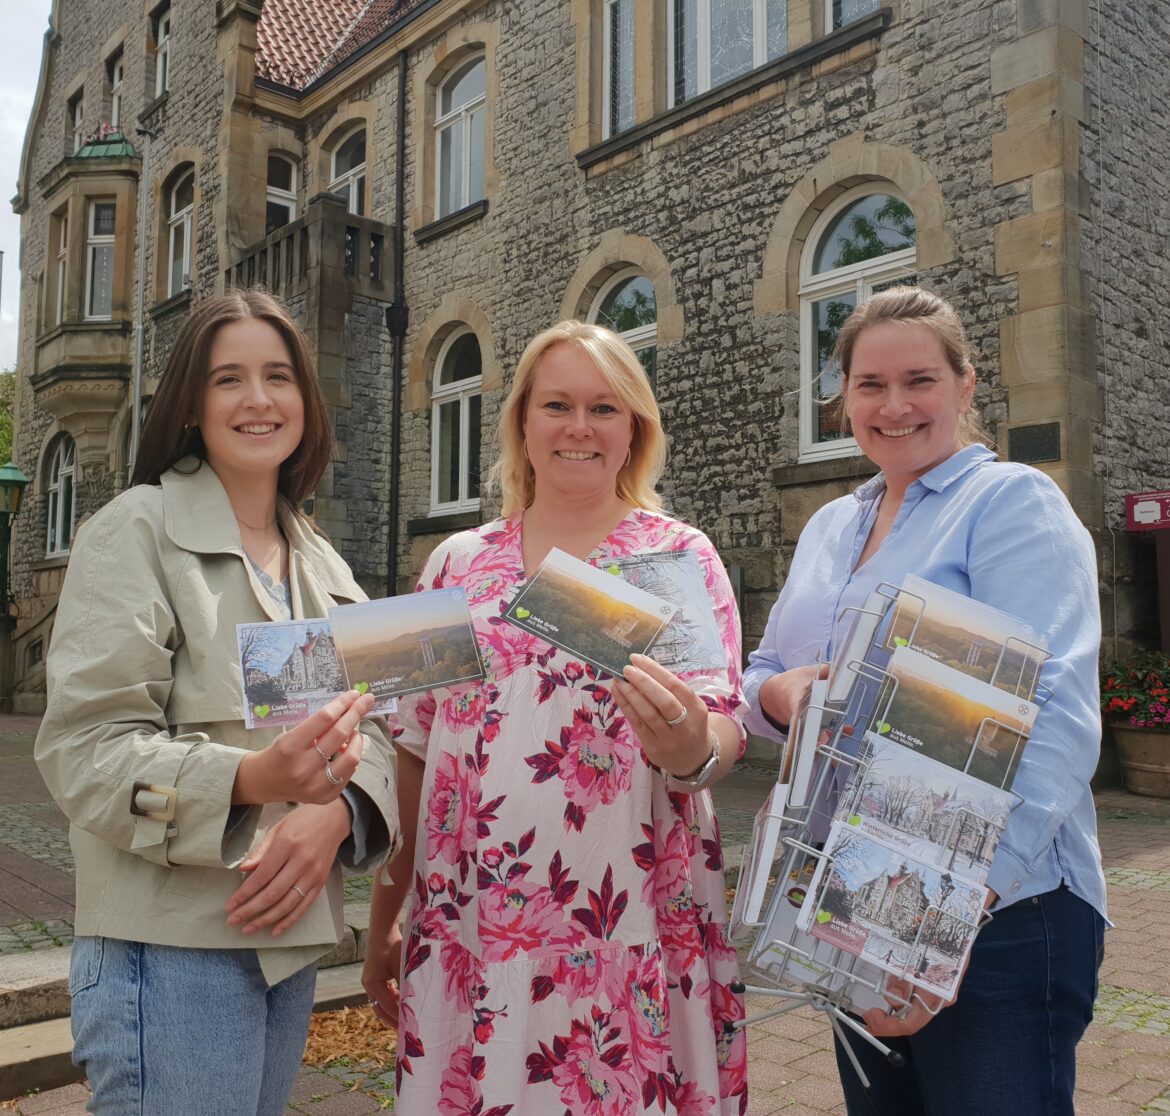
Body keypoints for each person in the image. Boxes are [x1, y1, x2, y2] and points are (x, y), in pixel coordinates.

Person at [362, 320, 749, 1113]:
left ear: (634, 428)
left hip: (633, 920)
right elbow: (413, 746)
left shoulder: (675, 558)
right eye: (557, 405)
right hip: (473, 922)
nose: (579, 427)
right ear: (523, 424)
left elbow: (717, 733)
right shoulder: (458, 564)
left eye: (604, 408)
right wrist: (387, 907)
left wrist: (689, 744)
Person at [34, 290, 399, 1115]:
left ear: (307, 399)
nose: (259, 399)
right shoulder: (135, 531)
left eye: (278, 376)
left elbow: (377, 722)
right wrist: (255, 779)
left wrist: (335, 811)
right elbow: (83, 750)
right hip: (169, 948)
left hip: (288, 945)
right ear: (191, 407)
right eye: (228, 379)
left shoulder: (322, 561)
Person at [743, 287, 1107, 1115]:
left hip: (996, 914)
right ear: (844, 399)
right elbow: (763, 669)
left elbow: (1052, 713)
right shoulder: (833, 525)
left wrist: (938, 924)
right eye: (870, 385)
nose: (894, 405)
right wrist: (780, 691)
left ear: (966, 384)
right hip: (847, 895)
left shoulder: (1011, 504)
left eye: (920, 380)